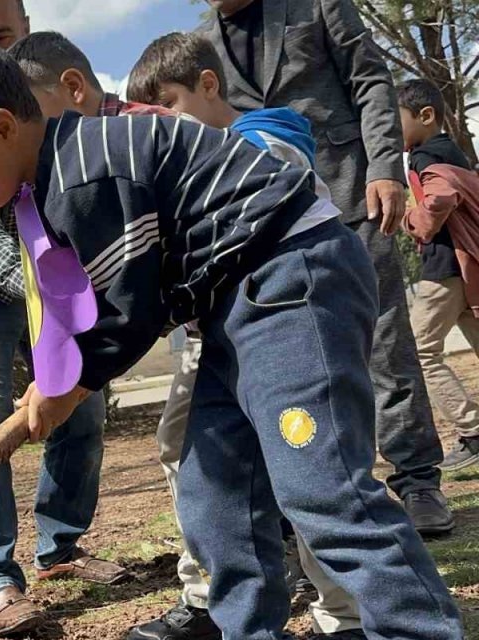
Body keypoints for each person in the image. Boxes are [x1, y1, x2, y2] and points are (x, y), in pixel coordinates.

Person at [0, 37, 463, 640]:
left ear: (1, 127)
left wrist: (75, 383)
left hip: (292, 279)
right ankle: (248, 629)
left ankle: (416, 627)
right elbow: (79, 308)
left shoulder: (87, 173)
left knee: (323, 491)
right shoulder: (51, 185)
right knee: (216, 495)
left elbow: (129, 308)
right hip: (227, 306)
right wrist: (49, 382)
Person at [126, 32, 406, 639]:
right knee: (190, 454)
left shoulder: (267, 138)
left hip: (287, 318)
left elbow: (258, 204)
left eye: (169, 104)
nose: (164, 124)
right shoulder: (176, 165)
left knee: (313, 468)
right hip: (213, 333)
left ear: (208, 84)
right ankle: (211, 593)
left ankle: (349, 613)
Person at [194, 0, 452, 532]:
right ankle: (306, 495)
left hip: (354, 192)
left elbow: (372, 81)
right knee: (289, 356)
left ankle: (418, 478)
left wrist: (385, 169)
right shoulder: (200, 42)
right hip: (265, 220)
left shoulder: (316, 3)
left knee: (385, 339)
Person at [0, 4, 122, 636]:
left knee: (83, 402)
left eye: (5, 36)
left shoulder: (50, 89)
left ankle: (62, 546)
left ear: (26, 23)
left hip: (50, 269)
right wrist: (52, 307)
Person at [399, 78, 479, 473]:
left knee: (422, 350)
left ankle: (472, 430)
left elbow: (441, 197)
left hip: (444, 268)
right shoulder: (454, 152)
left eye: (394, 120)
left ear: (425, 116)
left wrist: (413, 220)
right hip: (466, 269)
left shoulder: (425, 154)